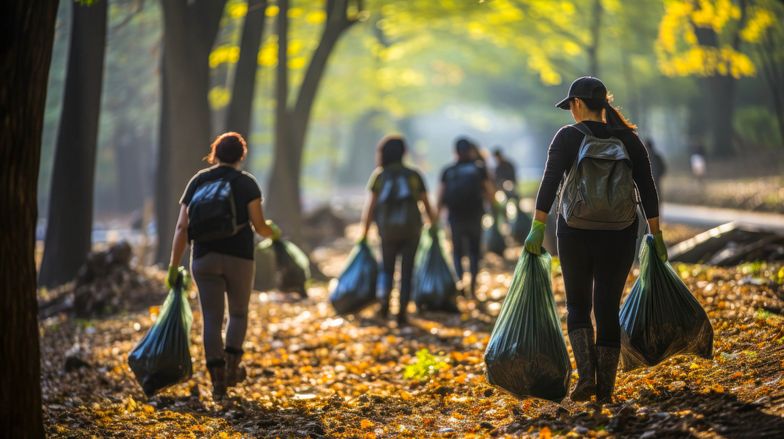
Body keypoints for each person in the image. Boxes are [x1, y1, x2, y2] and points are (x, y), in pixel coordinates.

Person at [524, 77, 665, 403]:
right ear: (603, 104)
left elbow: (549, 184)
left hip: (574, 231)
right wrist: (656, 235)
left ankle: (587, 377)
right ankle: (606, 391)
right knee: (607, 308)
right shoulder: (628, 140)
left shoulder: (568, 136)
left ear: (576, 104)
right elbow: (647, 188)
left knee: (577, 305)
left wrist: (537, 226)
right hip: (620, 232)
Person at [167, 132, 280, 399]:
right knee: (238, 313)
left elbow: (182, 226)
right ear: (242, 155)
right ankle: (231, 368)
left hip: (203, 259)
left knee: (211, 320)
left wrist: (173, 266)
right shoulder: (247, 184)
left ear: (214, 153)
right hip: (239, 257)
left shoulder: (198, 181)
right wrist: (273, 232)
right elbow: (259, 226)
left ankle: (217, 382)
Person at [361, 135, 436, 326]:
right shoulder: (413, 175)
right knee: (407, 269)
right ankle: (402, 310)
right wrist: (434, 224)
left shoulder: (379, 175)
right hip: (411, 229)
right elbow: (426, 203)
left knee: (386, 268)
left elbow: (371, 207)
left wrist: (364, 232)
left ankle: (384, 304)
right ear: (404, 153)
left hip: (387, 230)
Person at [437, 138, 496, 297]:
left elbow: (440, 197)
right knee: (474, 251)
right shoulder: (479, 168)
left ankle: (460, 282)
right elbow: (490, 193)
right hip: (475, 215)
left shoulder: (448, 170)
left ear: (455, 152)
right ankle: (473, 285)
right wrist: (494, 208)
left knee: (457, 251)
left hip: (455, 217)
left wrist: (436, 217)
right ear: (470, 150)